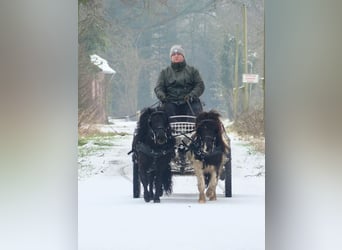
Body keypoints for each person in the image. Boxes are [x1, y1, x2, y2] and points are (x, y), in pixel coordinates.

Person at [154, 45, 205, 116]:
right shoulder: (164, 72)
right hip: (170, 102)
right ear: (171, 57)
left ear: (183, 56)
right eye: (174, 54)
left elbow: (200, 85)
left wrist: (191, 95)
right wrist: (162, 96)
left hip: (190, 102)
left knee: (196, 114)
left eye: (178, 54)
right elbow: (158, 88)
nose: (176, 56)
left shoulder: (193, 71)